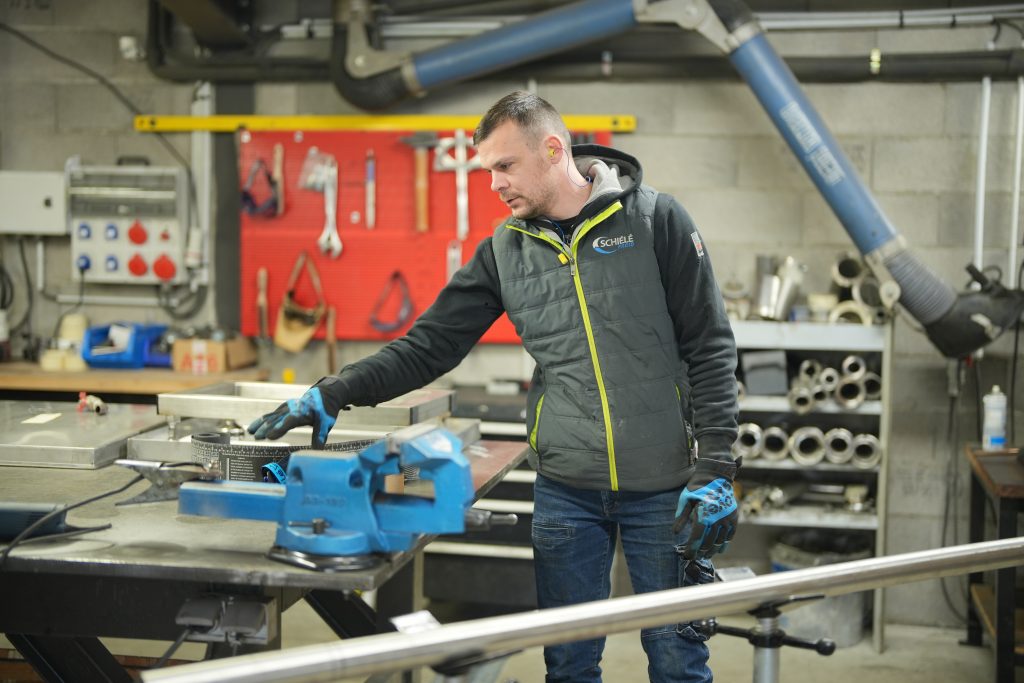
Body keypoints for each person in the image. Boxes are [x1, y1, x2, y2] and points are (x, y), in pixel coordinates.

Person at [249, 91, 740, 683]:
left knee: (677, 661)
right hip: (567, 491)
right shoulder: (505, 251)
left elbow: (710, 344)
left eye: (504, 166)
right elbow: (428, 347)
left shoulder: (656, 222)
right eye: (487, 171)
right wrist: (331, 392)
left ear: (552, 149)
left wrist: (716, 465)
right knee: (568, 664)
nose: (493, 184)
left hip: (665, 488)